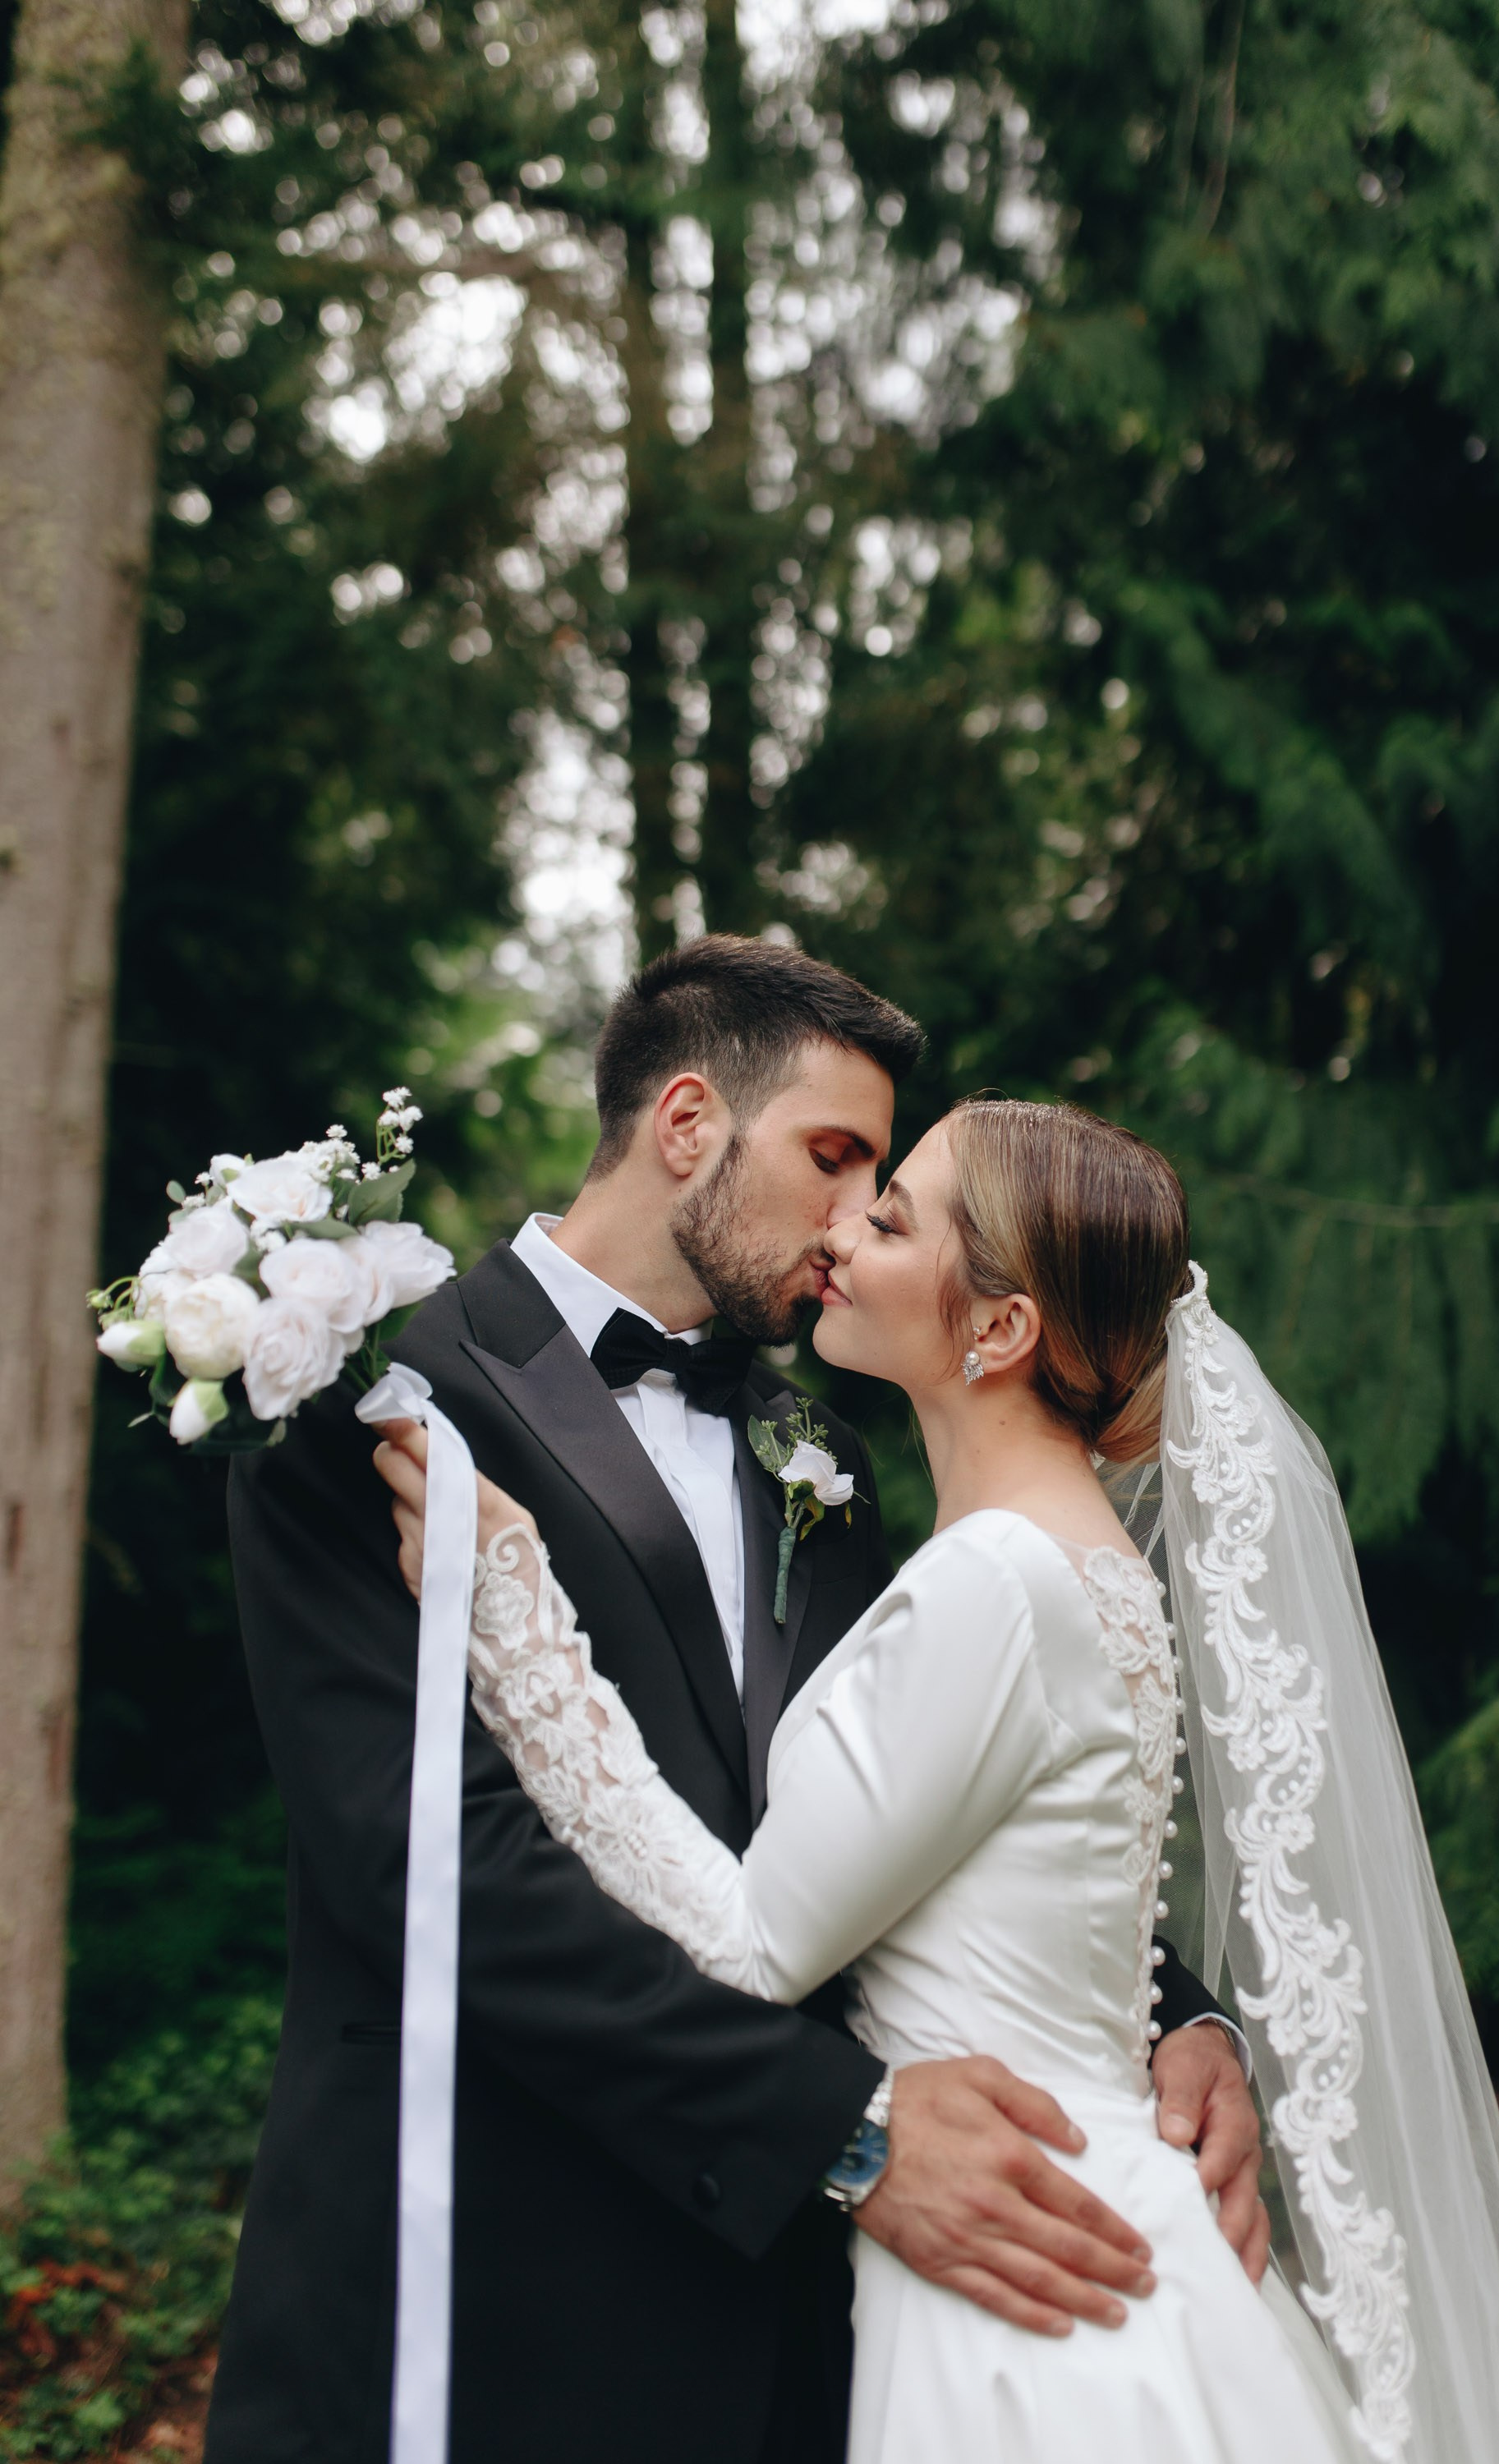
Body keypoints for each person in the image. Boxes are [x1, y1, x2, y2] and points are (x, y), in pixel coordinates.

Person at [376, 1091, 1499, 2464]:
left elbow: (758, 1940)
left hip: (1028, 2304)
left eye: (889, 1217)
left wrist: (516, 1623)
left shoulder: (999, 1583)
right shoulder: (1068, 1564)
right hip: (1086, 2219)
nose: (843, 1229)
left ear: (1001, 1329)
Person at [206, 939, 1259, 2464]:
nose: (855, 1224)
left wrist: (1173, 2011)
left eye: (883, 1182)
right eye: (834, 1161)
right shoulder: (372, 1392)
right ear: (687, 1124)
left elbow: (925, 1782)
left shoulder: (818, 1440)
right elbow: (435, 1866)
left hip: (792, 2343)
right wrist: (835, 2130)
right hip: (489, 2290)